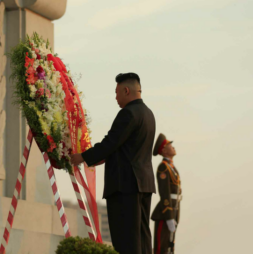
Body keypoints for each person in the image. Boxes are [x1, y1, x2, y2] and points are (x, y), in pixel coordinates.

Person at [71, 72, 156, 254]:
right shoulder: (148, 114)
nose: (115, 97)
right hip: (144, 184)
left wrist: (82, 157)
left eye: (117, 92)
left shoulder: (128, 113)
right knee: (142, 237)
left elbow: (110, 143)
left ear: (126, 90)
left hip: (125, 186)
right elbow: (123, 149)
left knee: (126, 241)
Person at [151, 133, 182, 254]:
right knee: (162, 246)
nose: (173, 147)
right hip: (165, 211)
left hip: (174, 208)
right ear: (164, 150)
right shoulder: (163, 167)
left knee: (170, 244)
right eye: (169, 145)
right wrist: (169, 216)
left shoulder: (171, 167)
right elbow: (165, 193)